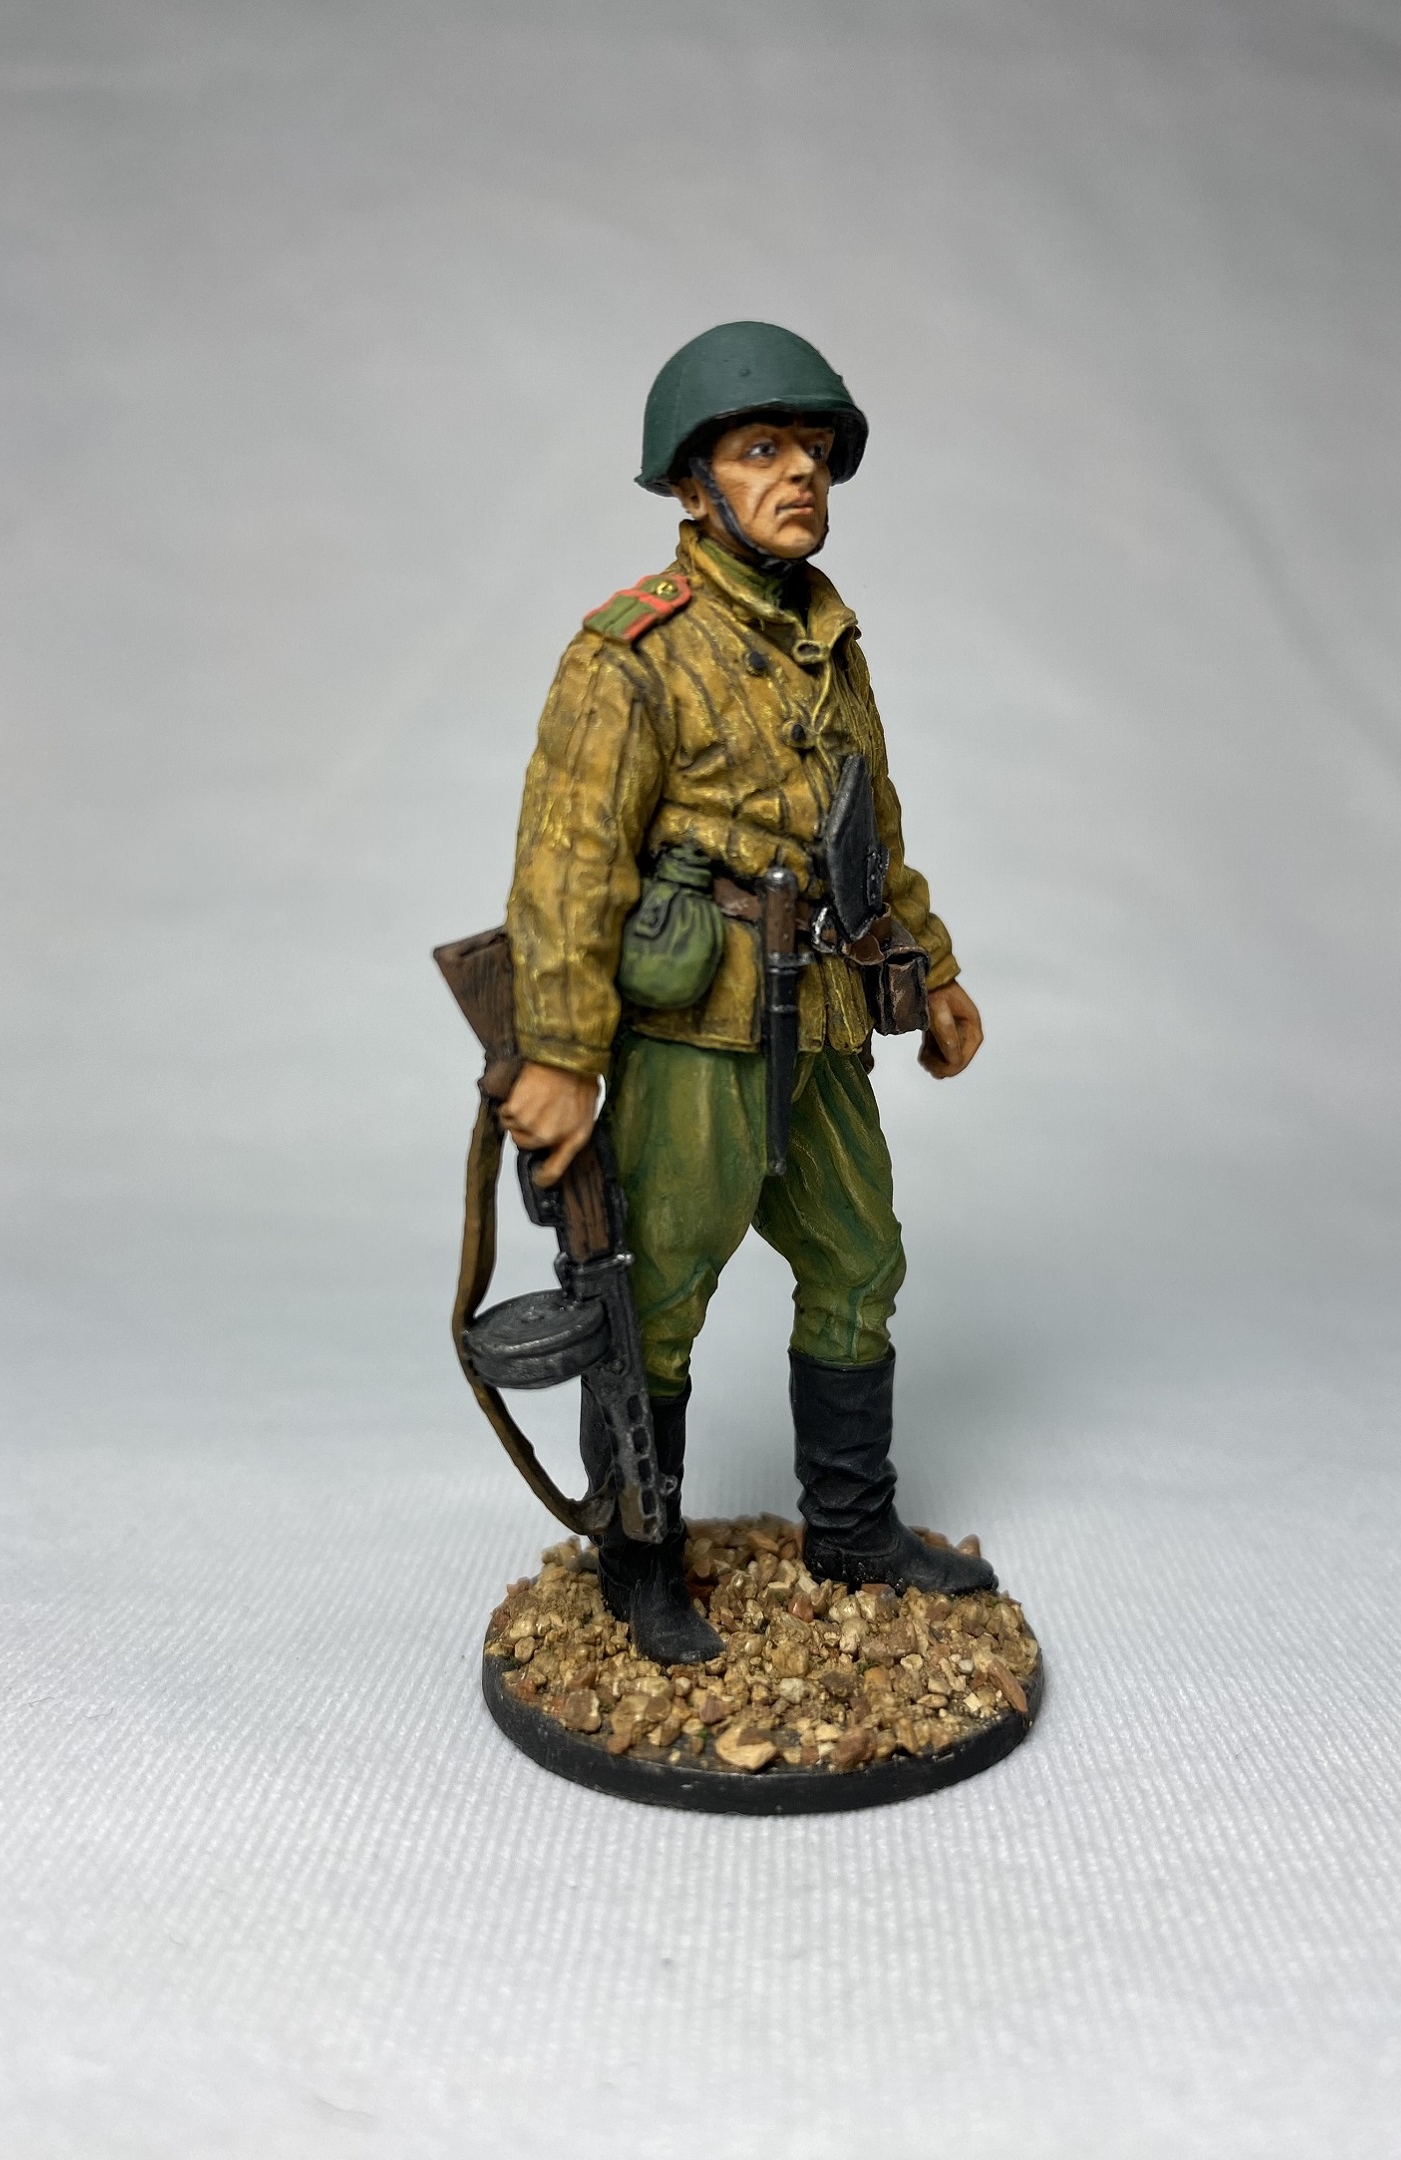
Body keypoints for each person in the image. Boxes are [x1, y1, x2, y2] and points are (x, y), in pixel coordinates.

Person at [500, 321, 996, 1665]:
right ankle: (639, 1563)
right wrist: (559, 1056)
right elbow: (567, 864)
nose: (801, 475)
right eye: (763, 448)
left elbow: (867, 831)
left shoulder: (830, 641)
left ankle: (852, 1531)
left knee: (858, 1259)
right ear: (690, 481)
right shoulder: (631, 652)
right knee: (656, 1295)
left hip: (821, 1008)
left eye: (814, 450)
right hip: (696, 1027)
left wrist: (932, 964)